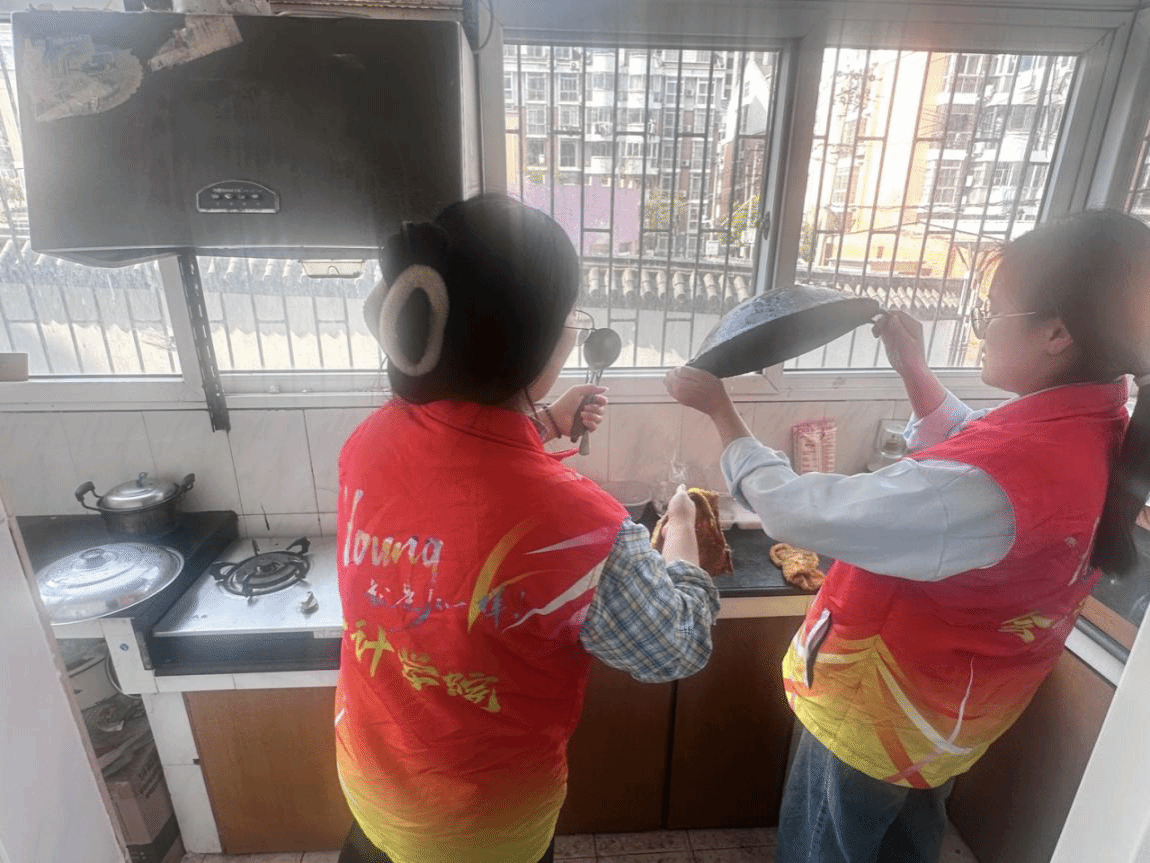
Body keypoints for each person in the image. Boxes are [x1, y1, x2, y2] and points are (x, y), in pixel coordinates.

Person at [664, 208, 1150, 863]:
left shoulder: (995, 482)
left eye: (991, 313)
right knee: (905, 844)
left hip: (877, 719)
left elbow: (800, 511)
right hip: (951, 714)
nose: (981, 328)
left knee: (825, 850)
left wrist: (719, 409)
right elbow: (979, 449)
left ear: (1057, 332)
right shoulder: (1099, 424)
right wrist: (913, 367)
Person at [334, 194, 719, 863]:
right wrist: (682, 530)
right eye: (570, 316)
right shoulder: (580, 528)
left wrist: (540, 423)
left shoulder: (370, 440)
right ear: (535, 339)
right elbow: (675, 647)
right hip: (481, 832)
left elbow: (459, 474)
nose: (572, 330)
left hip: (371, 787)